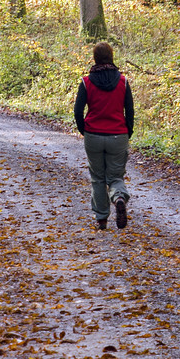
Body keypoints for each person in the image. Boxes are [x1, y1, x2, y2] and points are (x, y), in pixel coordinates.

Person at [73, 41, 134, 230]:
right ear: (112, 56)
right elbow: (130, 111)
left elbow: (78, 110)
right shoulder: (123, 81)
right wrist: (127, 132)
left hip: (94, 134)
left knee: (98, 177)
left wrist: (85, 130)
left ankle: (102, 219)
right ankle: (119, 197)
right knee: (115, 176)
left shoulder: (86, 82)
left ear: (95, 58)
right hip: (118, 134)